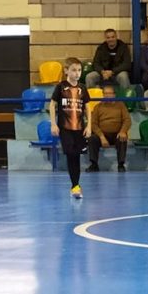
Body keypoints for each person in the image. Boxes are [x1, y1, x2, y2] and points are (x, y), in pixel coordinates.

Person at [50, 57, 91, 198]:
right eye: (74, 70)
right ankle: (75, 185)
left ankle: (75, 186)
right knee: (70, 153)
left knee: (76, 156)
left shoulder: (83, 88)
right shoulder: (60, 87)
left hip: (79, 128)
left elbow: (87, 107)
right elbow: (52, 104)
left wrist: (89, 125)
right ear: (66, 70)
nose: (77, 73)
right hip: (65, 128)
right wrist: (53, 123)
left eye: (79, 70)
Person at [86, 84, 131, 173]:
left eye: (109, 93)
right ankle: (94, 164)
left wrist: (123, 131)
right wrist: (101, 137)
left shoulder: (121, 105)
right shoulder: (98, 107)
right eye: (105, 93)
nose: (107, 95)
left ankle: (121, 165)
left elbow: (127, 120)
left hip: (117, 133)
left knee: (122, 138)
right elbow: (93, 124)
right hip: (102, 134)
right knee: (92, 139)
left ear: (114, 95)